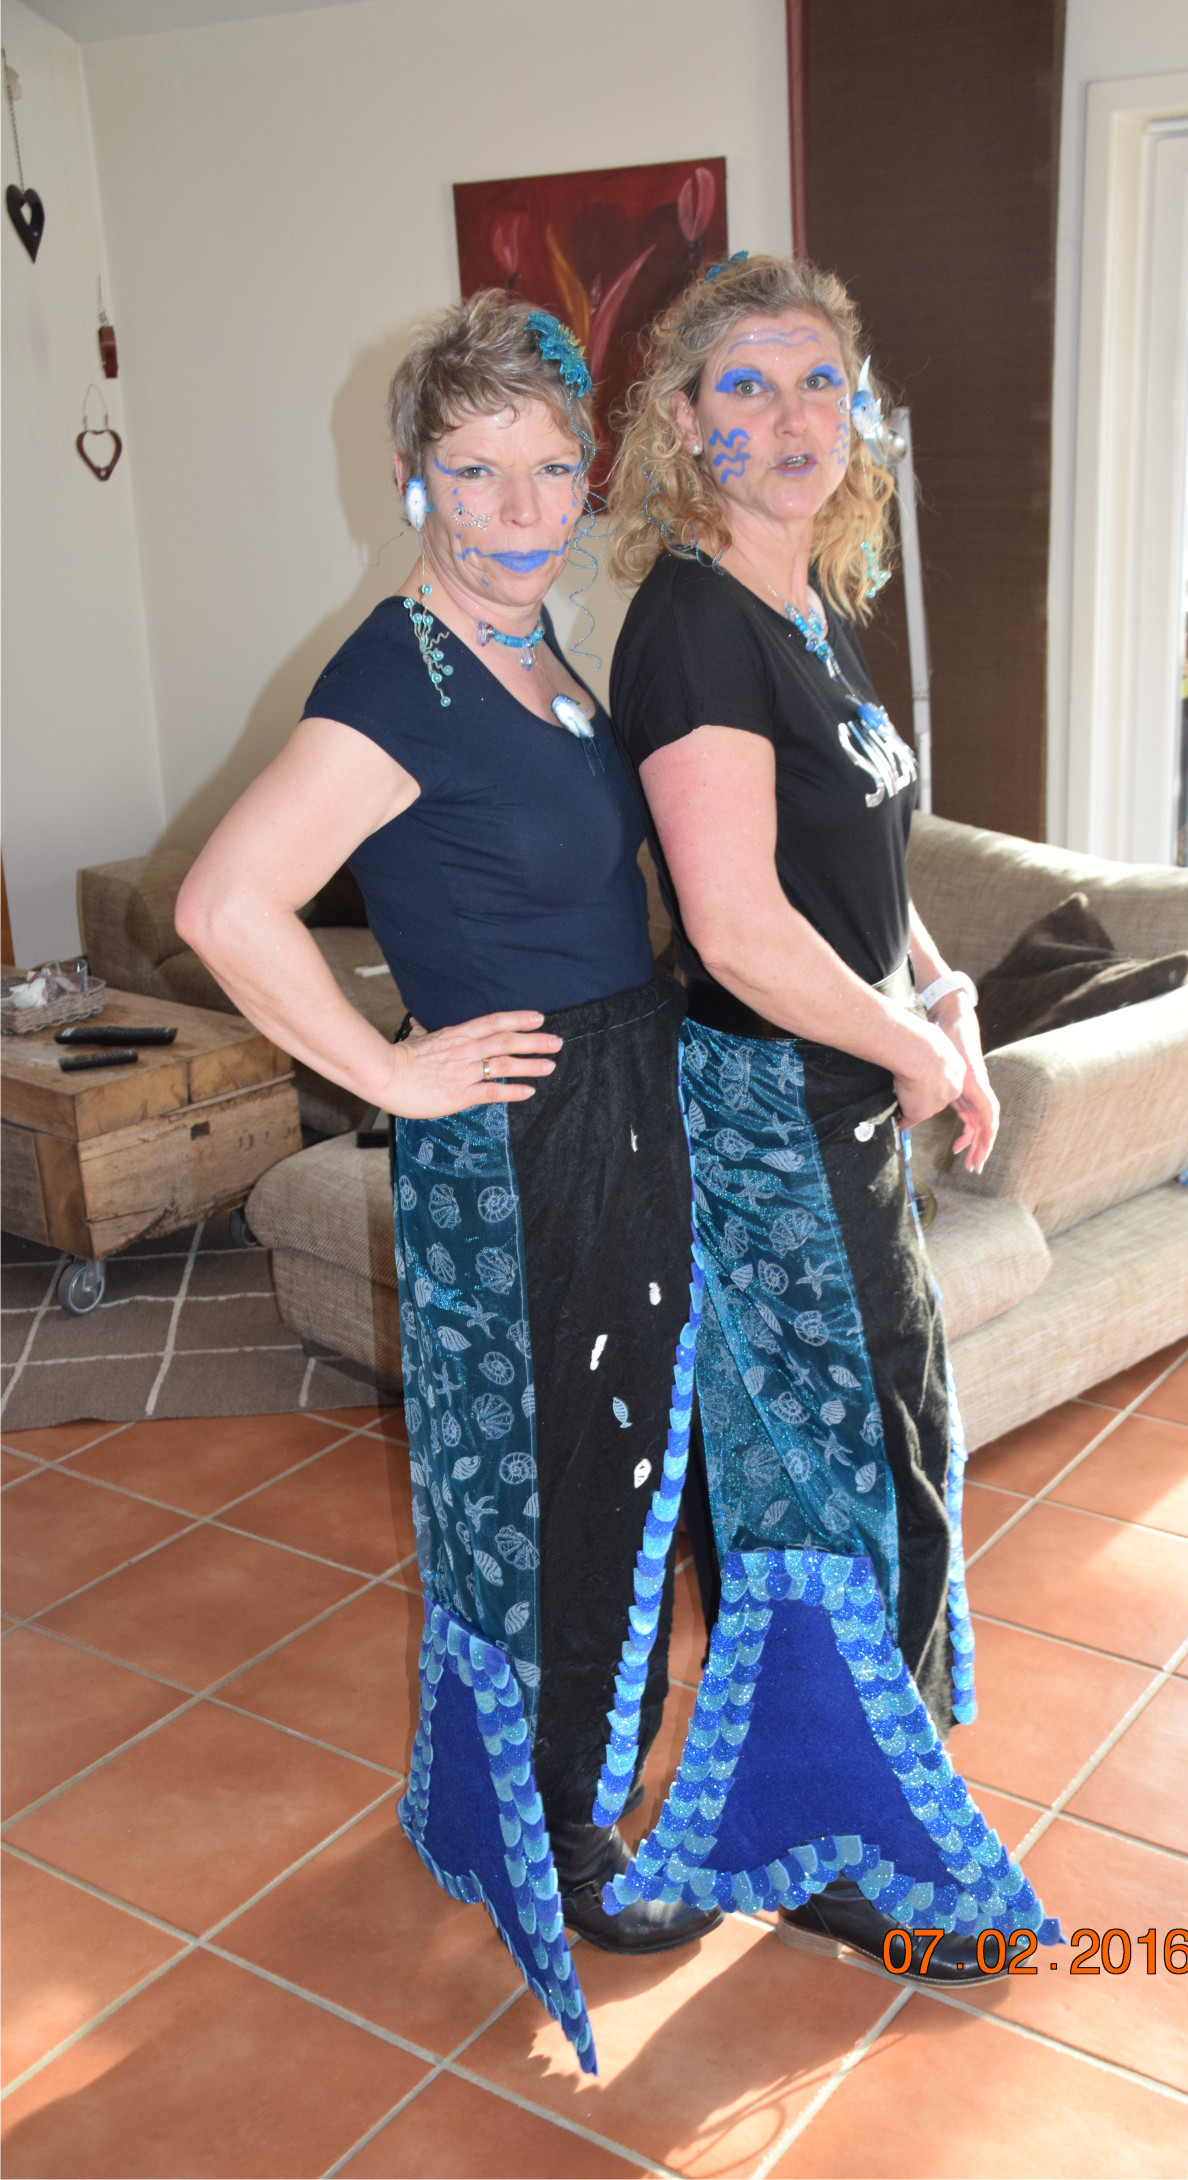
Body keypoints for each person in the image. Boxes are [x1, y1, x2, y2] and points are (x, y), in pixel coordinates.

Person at [175, 291, 719, 2075]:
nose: (518, 507)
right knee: (560, 1499)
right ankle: (563, 1844)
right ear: (413, 479)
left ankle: (512, 1800)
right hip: (523, 1147)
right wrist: (390, 1070)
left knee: (608, 1485)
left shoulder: (537, 651)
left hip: (615, 1109)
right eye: (475, 471)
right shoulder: (390, 678)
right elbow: (225, 906)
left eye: (549, 467)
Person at [594, 254, 1061, 1978]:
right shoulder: (691, 627)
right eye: (746, 384)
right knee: (823, 1484)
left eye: (818, 383)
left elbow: (857, 860)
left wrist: (943, 996)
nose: (791, 416)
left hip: (841, 1087)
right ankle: (829, 1844)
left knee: (884, 1446)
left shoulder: (801, 607)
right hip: (764, 1108)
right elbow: (733, 928)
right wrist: (905, 1051)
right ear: (683, 424)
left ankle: (852, 1795)